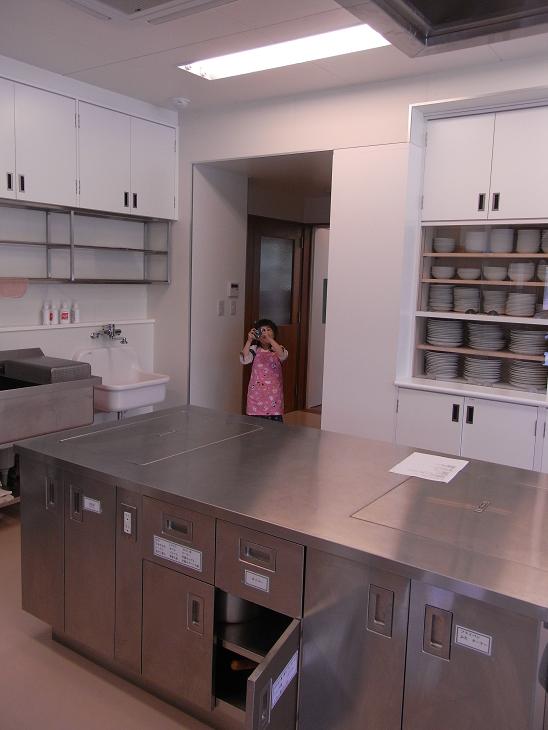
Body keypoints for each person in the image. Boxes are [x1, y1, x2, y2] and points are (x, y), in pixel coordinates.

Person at [240, 319, 288, 422]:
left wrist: (270, 340)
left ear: (274, 333)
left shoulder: (277, 348)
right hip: (256, 397)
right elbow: (244, 359)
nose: (265, 333)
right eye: (262, 330)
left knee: (275, 428)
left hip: (274, 397)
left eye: (268, 330)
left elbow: (283, 355)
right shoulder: (254, 349)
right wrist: (249, 340)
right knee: (256, 426)